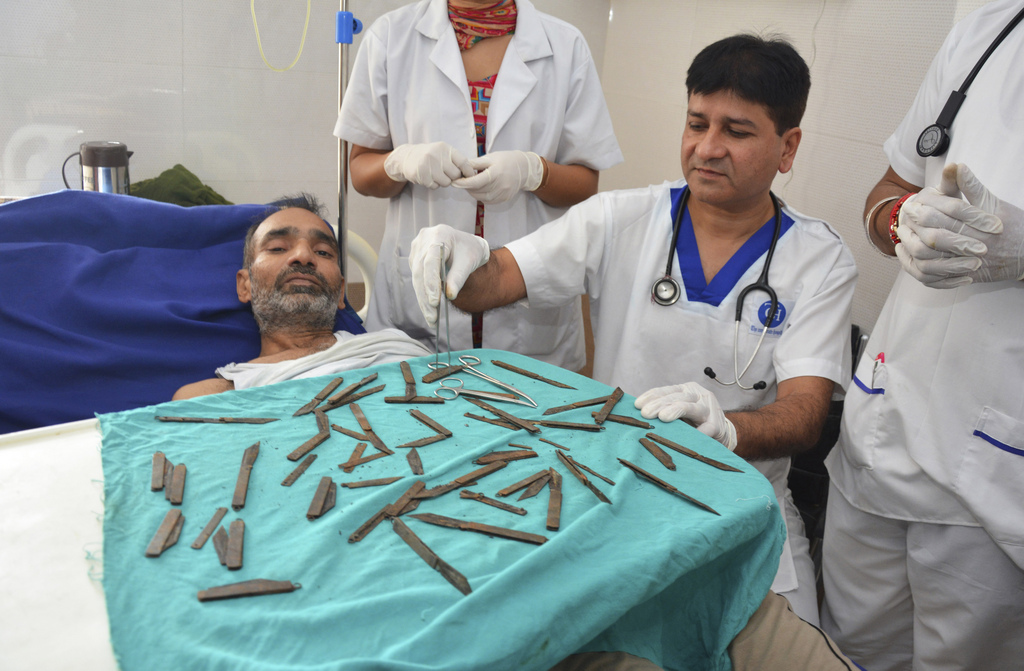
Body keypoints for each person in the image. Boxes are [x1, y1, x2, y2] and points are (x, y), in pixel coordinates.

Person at [408, 34, 858, 625]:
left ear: (788, 146)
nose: (707, 148)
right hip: (615, 484)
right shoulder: (622, 217)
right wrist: (454, 255)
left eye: (737, 132)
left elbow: (804, 414)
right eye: (697, 123)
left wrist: (724, 429)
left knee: (789, 648)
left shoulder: (820, 259)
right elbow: (491, 282)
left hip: (742, 497)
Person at [821, 1, 1024, 669]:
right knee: (848, 650)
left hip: (998, 477)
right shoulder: (987, 30)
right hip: (885, 425)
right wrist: (902, 220)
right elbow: (888, 188)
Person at [335, 0, 623, 371]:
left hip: (526, 299)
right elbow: (360, 171)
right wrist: (400, 162)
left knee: (531, 417)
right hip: (419, 301)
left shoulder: (566, 45)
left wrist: (534, 172)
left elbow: (585, 182)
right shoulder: (391, 37)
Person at [172, 193, 430, 400]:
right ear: (245, 286)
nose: (304, 256)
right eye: (278, 248)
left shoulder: (396, 348)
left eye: (323, 252)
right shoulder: (211, 397)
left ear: (341, 292)